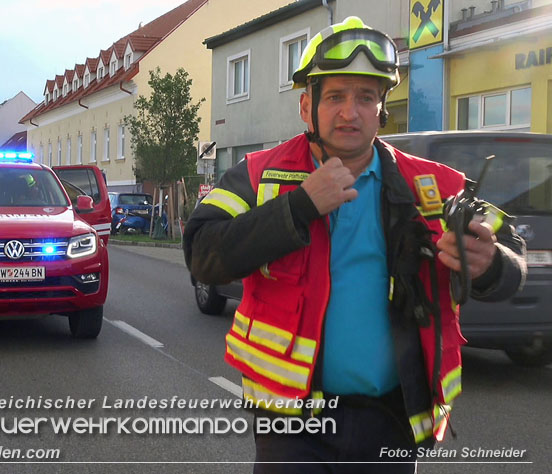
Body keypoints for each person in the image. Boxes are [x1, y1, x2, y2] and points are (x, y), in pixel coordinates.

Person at [183, 16, 526, 473]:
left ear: (382, 110)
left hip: (392, 420)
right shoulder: (256, 173)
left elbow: (513, 257)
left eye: (366, 97)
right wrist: (299, 206)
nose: (351, 111)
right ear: (307, 107)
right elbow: (202, 254)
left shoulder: (434, 183)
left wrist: (492, 263)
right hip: (292, 427)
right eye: (337, 96)